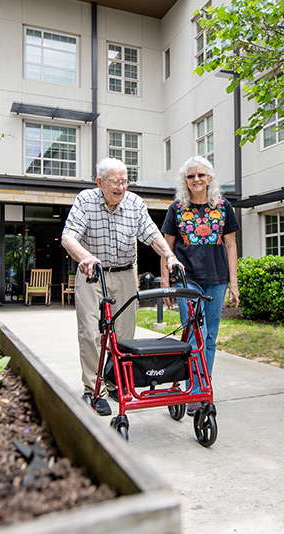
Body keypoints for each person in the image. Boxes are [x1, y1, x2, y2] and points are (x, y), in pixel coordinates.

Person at [62, 157, 181, 416]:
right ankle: (94, 389)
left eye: (125, 181)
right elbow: (68, 235)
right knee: (91, 332)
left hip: (125, 273)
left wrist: (169, 255)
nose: (121, 187)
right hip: (93, 272)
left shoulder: (135, 203)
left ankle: (113, 379)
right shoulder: (86, 200)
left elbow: (152, 234)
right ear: (100, 182)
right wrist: (85, 256)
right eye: (115, 182)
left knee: (125, 334)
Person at [160, 156, 240, 415]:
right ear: (185, 181)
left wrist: (234, 284)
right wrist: (165, 282)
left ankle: (203, 385)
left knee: (210, 337)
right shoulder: (177, 208)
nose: (196, 180)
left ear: (210, 178)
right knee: (195, 335)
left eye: (201, 175)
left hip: (217, 279)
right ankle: (195, 393)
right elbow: (166, 247)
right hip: (187, 280)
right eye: (191, 176)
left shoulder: (224, 207)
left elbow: (231, 246)